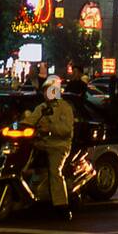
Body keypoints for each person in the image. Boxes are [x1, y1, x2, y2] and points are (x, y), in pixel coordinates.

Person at [22, 75, 75, 220]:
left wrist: (50, 129)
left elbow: (66, 130)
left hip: (58, 145)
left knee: (55, 171)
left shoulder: (65, 108)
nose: (46, 93)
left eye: (49, 90)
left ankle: (61, 205)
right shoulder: (42, 107)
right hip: (41, 143)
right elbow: (31, 120)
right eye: (45, 90)